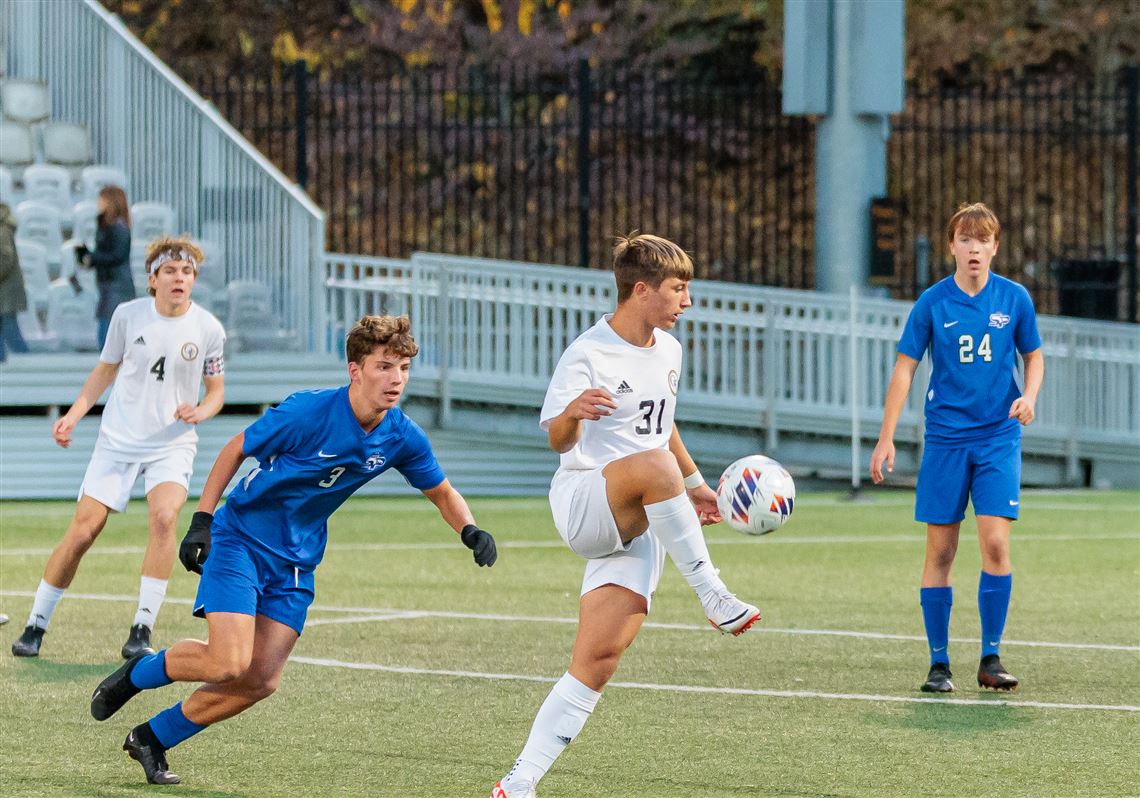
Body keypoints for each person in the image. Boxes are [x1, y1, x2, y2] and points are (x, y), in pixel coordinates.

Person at [88, 314, 499, 786]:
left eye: (404, 368)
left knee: (260, 679)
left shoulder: (400, 434)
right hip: (240, 539)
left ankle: (152, 738)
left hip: (298, 562)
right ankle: (141, 671)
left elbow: (443, 492)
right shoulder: (309, 411)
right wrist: (202, 521)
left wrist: (470, 530)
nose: (397, 379)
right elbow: (234, 449)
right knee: (228, 662)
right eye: (385, 366)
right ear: (355, 369)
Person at [492, 234, 759, 798]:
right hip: (585, 500)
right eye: (678, 288)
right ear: (642, 290)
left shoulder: (669, 350)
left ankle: (519, 780)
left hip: (637, 515)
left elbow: (664, 431)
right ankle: (711, 593)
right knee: (656, 468)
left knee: (599, 659)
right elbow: (558, 441)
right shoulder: (587, 352)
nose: (687, 300)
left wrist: (697, 487)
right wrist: (573, 411)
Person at [12, 237, 225, 660]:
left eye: (186, 272)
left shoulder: (209, 329)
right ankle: (36, 624)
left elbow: (216, 390)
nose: (179, 278)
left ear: (194, 279)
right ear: (153, 279)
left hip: (172, 444)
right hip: (118, 441)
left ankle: (141, 628)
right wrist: (73, 415)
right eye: (170, 271)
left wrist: (201, 410)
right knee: (83, 531)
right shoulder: (128, 316)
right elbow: (104, 371)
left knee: (165, 518)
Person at [870, 202, 1044, 694]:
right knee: (942, 549)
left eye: (982, 240)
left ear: (995, 247)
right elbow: (905, 367)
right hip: (945, 439)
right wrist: (886, 436)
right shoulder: (932, 303)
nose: (973, 248)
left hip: (997, 437)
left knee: (994, 542)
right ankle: (939, 662)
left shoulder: (1014, 299)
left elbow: (1034, 356)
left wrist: (1028, 398)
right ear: (952, 246)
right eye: (965, 239)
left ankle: (990, 656)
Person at [76, 185, 134, 349]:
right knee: (106, 329)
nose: (98, 203)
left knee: (107, 330)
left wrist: (92, 258)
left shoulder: (119, 228)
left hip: (117, 286)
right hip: (108, 285)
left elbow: (118, 255)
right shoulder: (106, 226)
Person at [0, 202, 30, 361]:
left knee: (11, 330)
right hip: (5, 291)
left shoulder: (3, 231)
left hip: (6, 292)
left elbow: (6, 259)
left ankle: (28, 364)